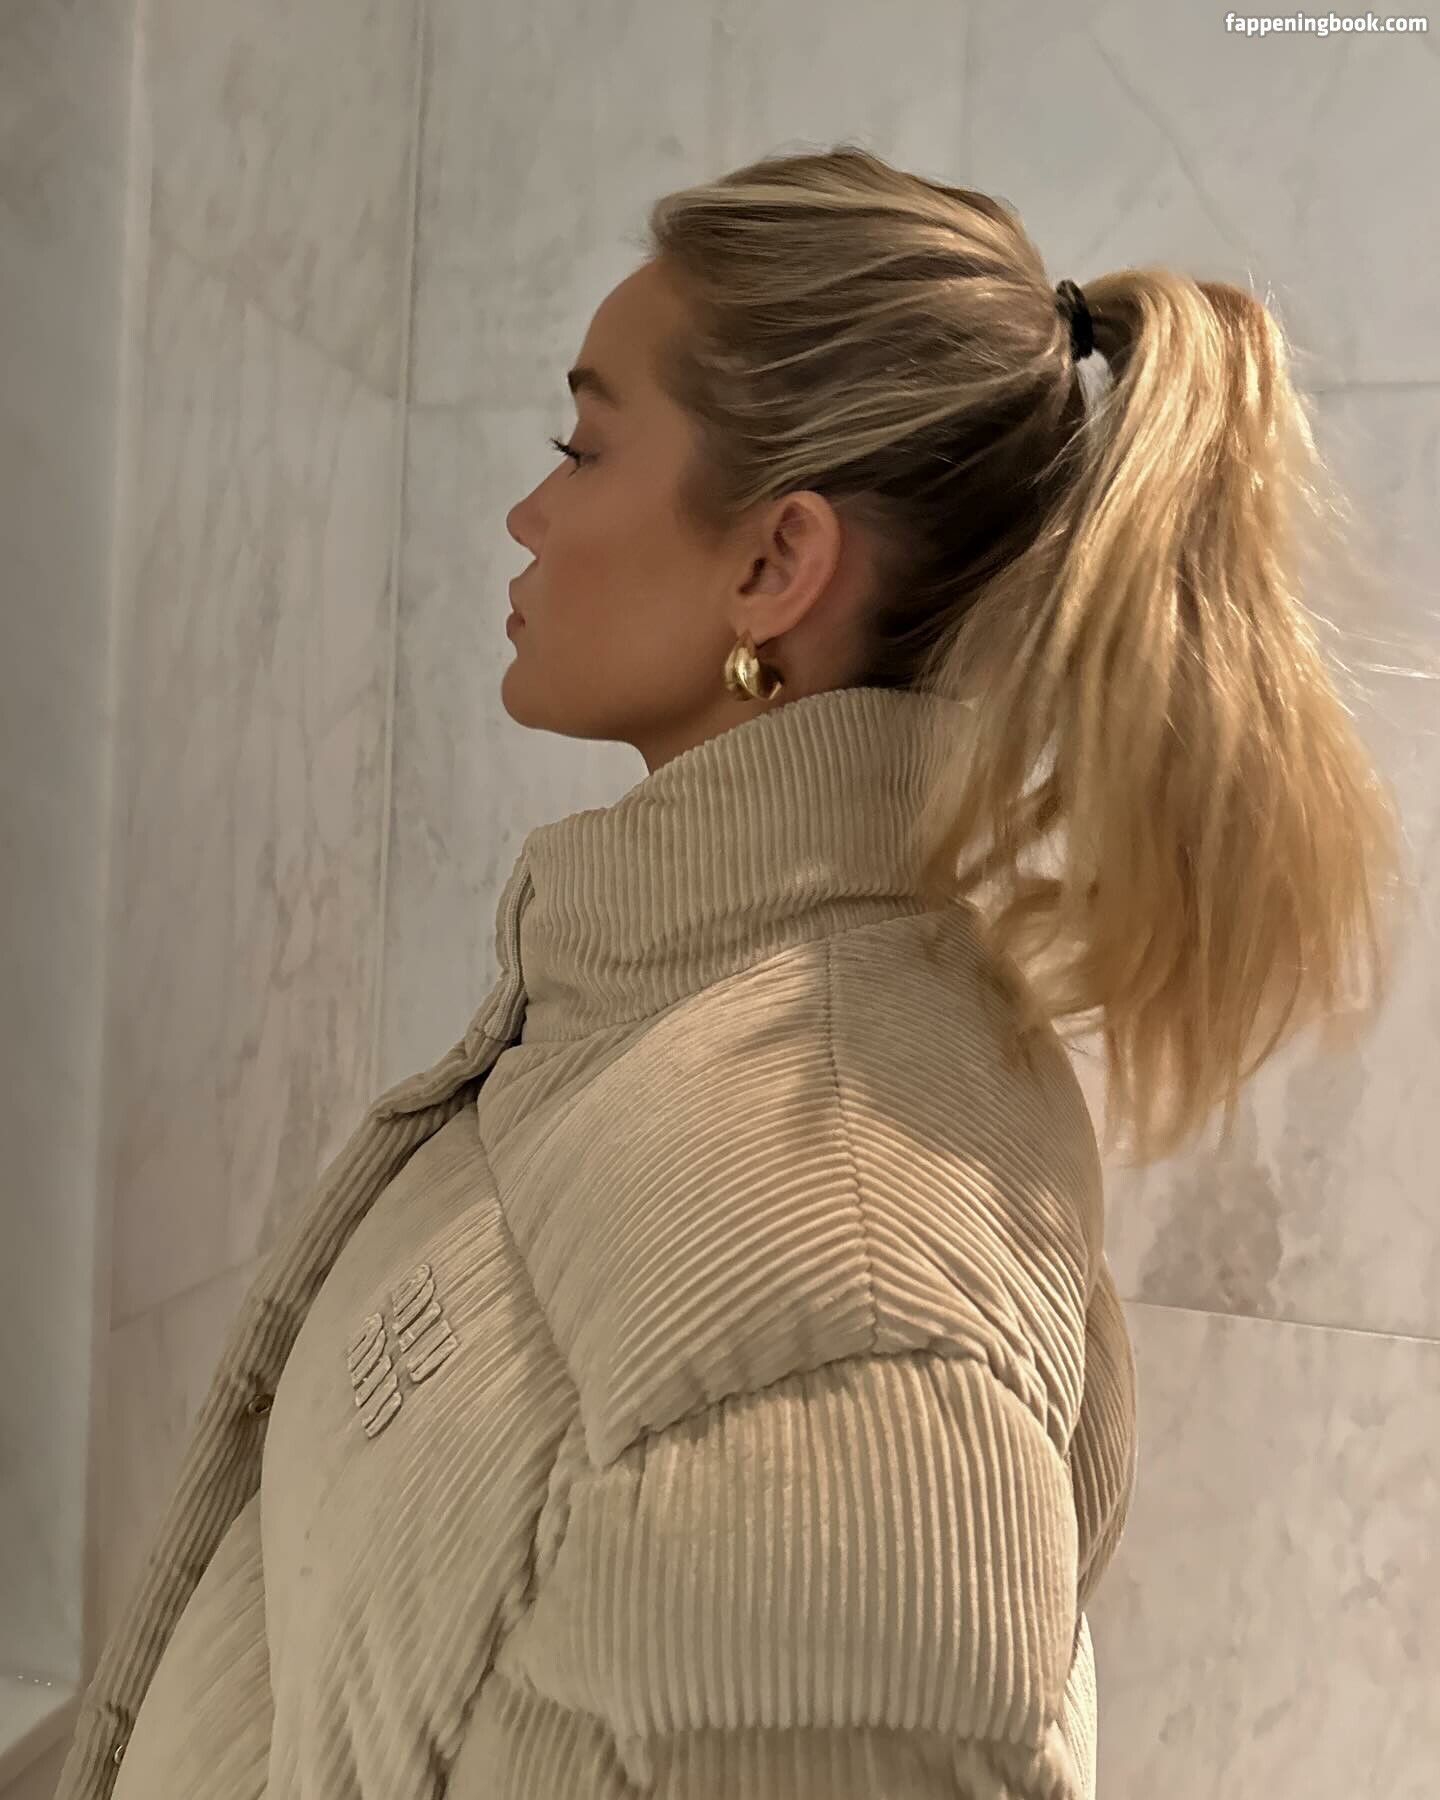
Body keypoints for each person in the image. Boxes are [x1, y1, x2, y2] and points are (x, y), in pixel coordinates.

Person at [57, 144, 1402, 1800]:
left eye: (582, 445)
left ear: (775, 566)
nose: (528, 512)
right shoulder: (645, 1007)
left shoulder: (841, 1295)